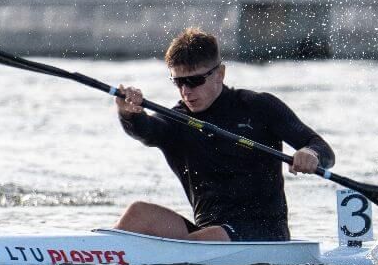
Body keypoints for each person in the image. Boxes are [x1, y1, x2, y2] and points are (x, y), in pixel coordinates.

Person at [113, 27, 334, 242]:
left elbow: (322, 148)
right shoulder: (176, 120)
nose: (186, 91)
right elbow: (147, 130)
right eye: (178, 82)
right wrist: (129, 114)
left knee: (208, 237)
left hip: (264, 233)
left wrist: (310, 153)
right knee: (138, 214)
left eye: (194, 80)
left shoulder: (259, 107)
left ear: (220, 74)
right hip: (207, 232)